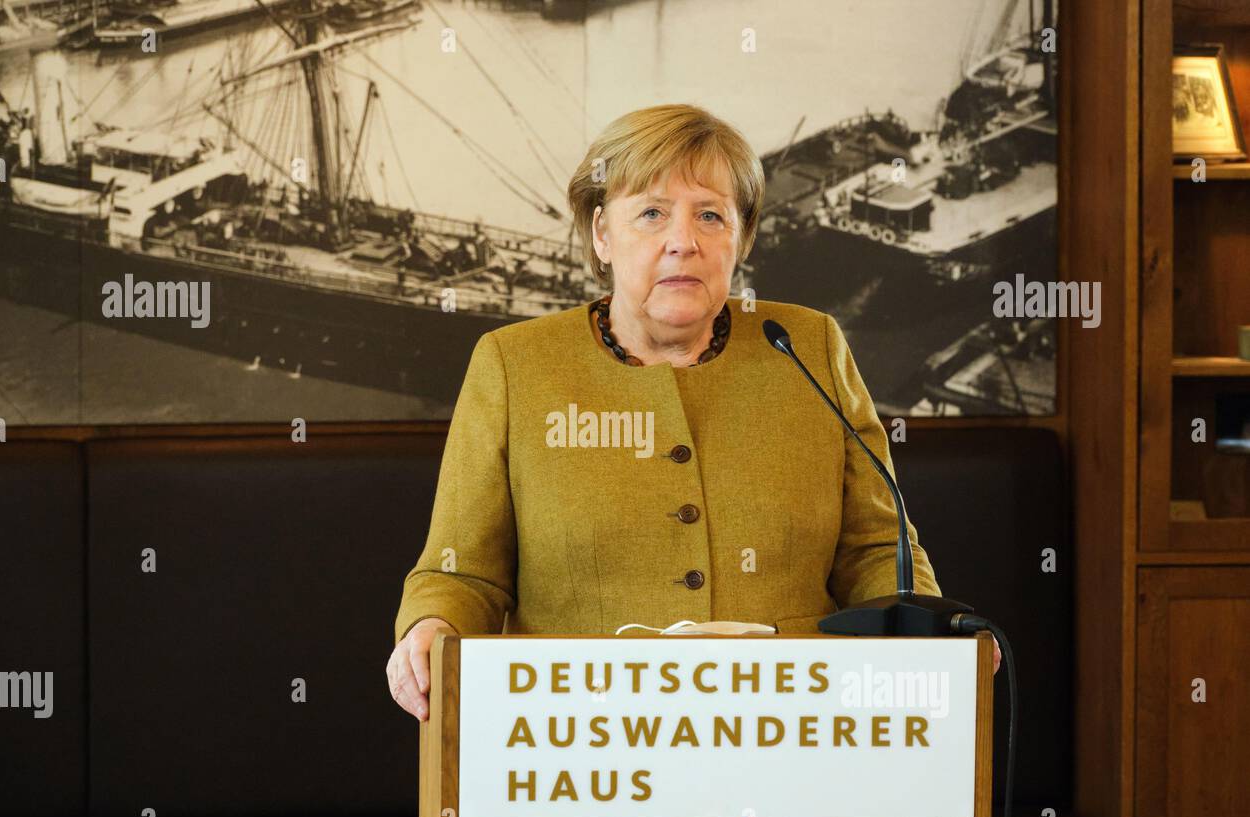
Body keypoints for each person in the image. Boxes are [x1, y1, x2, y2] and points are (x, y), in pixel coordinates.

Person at [387, 104, 996, 722]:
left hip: (796, 731)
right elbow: (463, 574)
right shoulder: (514, 365)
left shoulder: (810, 345)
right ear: (602, 234)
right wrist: (432, 627)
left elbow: (875, 550)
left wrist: (929, 634)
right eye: (651, 213)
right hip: (579, 737)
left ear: (742, 237)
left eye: (711, 215)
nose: (685, 240)